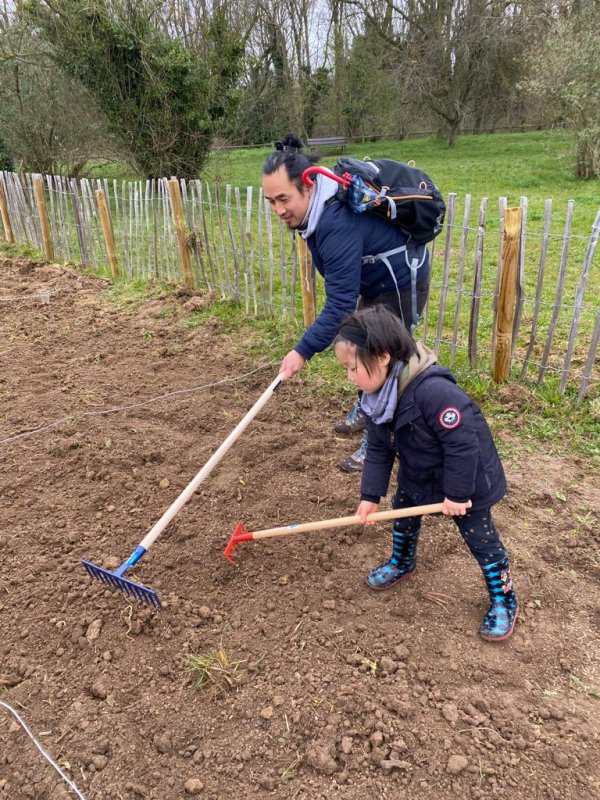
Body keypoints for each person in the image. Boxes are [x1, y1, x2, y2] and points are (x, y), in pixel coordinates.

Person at [333, 305, 518, 641]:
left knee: (480, 538)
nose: (349, 377)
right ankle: (403, 562)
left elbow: (463, 444)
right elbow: (378, 448)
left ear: (383, 357)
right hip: (420, 471)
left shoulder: (433, 391)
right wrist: (369, 496)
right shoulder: (376, 397)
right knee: (402, 510)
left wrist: (459, 494)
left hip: (468, 478)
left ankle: (503, 598)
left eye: (352, 368)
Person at [262, 132, 431, 472]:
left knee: (385, 360)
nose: (279, 210)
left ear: (307, 188)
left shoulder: (334, 222)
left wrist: (302, 351)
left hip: (400, 280)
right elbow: (344, 291)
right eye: (271, 201)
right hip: (373, 275)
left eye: (284, 199)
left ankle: (380, 438)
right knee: (360, 346)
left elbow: (340, 303)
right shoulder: (314, 213)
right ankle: (367, 409)